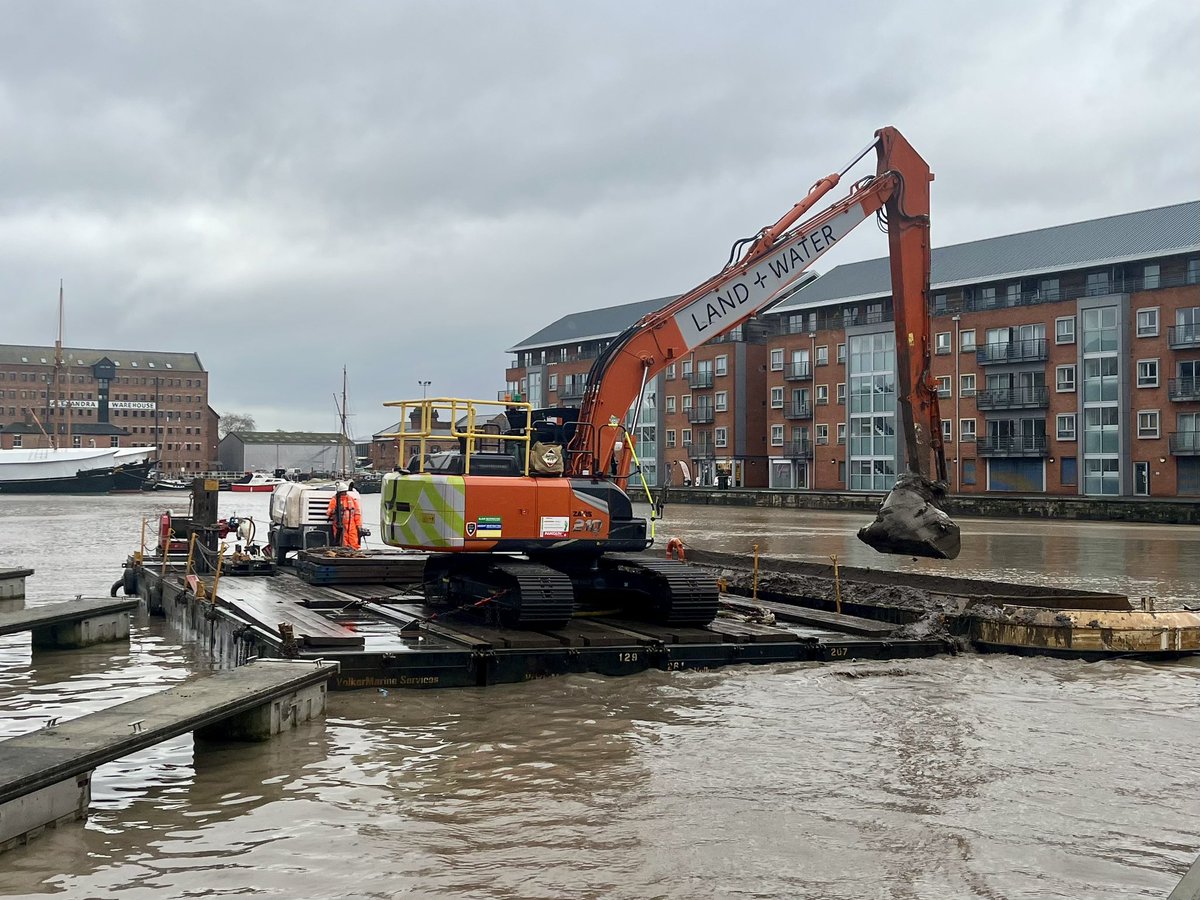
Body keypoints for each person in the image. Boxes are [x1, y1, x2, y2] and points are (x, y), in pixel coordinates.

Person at [326, 480, 364, 549]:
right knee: (343, 541)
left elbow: (357, 513)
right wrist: (334, 511)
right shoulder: (334, 500)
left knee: (354, 540)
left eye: (345, 492)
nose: (344, 493)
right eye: (343, 492)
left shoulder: (352, 500)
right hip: (340, 525)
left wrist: (359, 525)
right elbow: (329, 512)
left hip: (352, 524)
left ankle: (355, 553)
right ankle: (344, 553)